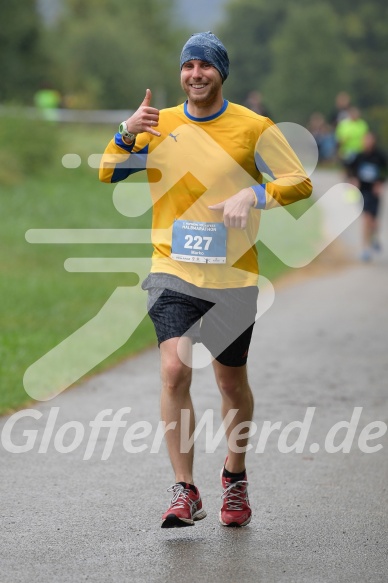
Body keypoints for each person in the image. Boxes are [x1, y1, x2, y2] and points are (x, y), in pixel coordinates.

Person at [99, 32, 312, 528]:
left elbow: (298, 179)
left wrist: (254, 196)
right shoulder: (158, 124)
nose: (196, 74)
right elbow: (109, 172)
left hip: (233, 276)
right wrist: (127, 131)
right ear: (181, 73)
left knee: (229, 380)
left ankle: (233, 478)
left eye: (205, 66)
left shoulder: (253, 127)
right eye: (188, 66)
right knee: (174, 371)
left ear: (221, 73)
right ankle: (185, 489)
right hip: (171, 268)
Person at [349, 132, 387, 261]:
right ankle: (365, 249)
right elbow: (351, 170)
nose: (367, 142)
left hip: (374, 192)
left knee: (374, 221)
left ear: (373, 141)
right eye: (365, 140)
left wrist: (380, 183)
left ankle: (374, 237)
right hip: (363, 191)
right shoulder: (359, 156)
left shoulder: (379, 156)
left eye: (369, 140)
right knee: (366, 218)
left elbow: (384, 170)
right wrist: (354, 179)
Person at [335, 106, 369, 176]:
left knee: (358, 170)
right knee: (347, 168)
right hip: (347, 151)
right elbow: (338, 138)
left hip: (359, 150)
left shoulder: (362, 124)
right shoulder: (344, 124)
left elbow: (366, 137)